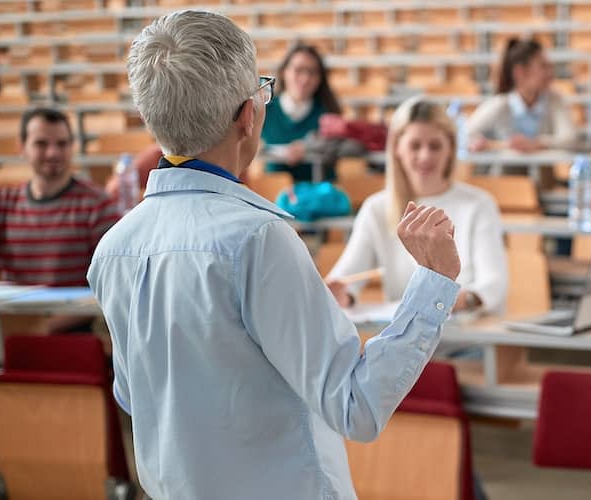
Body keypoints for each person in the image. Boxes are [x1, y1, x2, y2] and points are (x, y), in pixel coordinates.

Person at [89, 11, 462, 499]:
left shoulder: (114, 247)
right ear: (249, 115)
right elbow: (357, 406)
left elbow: (136, 395)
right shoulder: (259, 239)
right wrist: (435, 280)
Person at [327, 96, 508, 315]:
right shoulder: (376, 208)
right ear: (397, 148)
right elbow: (346, 277)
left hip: (466, 341)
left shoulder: (479, 204)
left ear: (450, 148)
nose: (425, 156)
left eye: (435, 146)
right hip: (404, 345)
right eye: (415, 145)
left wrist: (464, 299)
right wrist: (341, 294)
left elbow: (493, 286)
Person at [0, 108, 120, 333]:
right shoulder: (3, 202)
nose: (53, 153)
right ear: (21, 147)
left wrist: (45, 328)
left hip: (76, 335)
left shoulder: (97, 205)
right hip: (12, 330)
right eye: (41, 144)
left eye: (62, 144)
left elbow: (114, 286)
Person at [467, 37, 579, 153]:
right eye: (543, 66)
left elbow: (570, 139)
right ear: (520, 72)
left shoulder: (554, 100)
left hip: (544, 171)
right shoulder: (500, 105)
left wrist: (537, 143)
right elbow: (465, 135)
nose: (551, 73)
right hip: (505, 171)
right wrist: (479, 142)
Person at [261, 44, 344, 182]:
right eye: (298, 70)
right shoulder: (265, 109)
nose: (305, 79)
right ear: (284, 71)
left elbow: (344, 147)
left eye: (312, 72)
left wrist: (307, 148)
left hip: (319, 195)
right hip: (272, 194)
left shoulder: (328, 113)